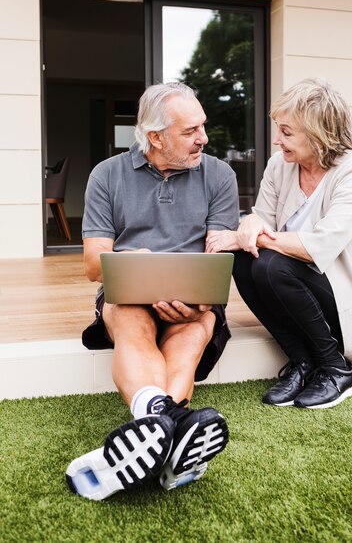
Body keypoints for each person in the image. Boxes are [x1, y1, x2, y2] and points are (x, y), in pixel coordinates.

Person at [66, 82, 239, 500]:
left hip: (194, 300)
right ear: (156, 136)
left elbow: (219, 256)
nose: (204, 138)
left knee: (190, 337)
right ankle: (172, 431)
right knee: (131, 325)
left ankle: (156, 430)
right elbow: (94, 265)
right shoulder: (107, 175)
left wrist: (197, 300)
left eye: (203, 126)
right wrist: (136, 261)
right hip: (129, 294)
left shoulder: (219, 175)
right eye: (190, 131)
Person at [207, 78, 352, 410]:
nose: (276, 140)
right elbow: (262, 218)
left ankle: (335, 367)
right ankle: (302, 360)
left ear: (317, 134)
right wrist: (248, 227)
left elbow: (318, 247)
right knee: (243, 260)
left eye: (286, 132)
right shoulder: (279, 165)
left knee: (271, 263)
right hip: (307, 289)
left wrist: (249, 234)